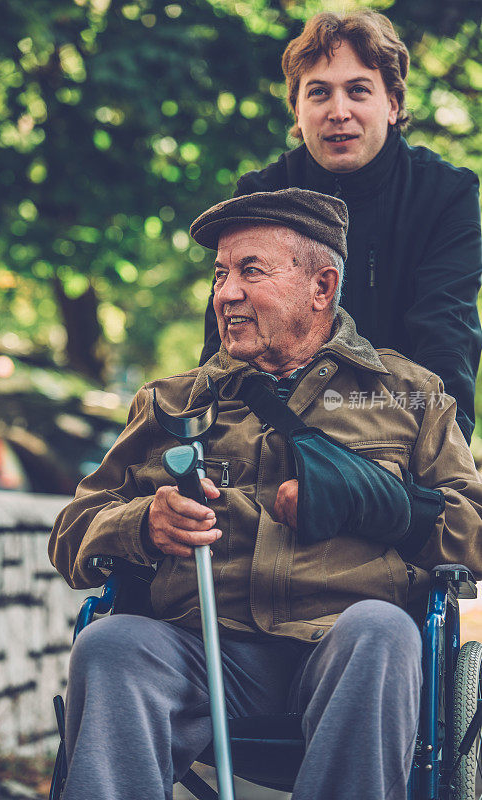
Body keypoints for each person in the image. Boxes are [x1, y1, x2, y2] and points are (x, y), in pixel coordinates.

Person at [49, 190, 482, 800]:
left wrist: (382, 506)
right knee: (111, 644)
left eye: (251, 271)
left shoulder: (411, 396)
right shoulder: (173, 402)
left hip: (344, 651)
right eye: (221, 275)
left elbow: (476, 535)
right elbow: (71, 530)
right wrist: (141, 524)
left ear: (322, 287)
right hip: (204, 653)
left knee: (382, 631)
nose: (225, 294)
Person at [199, 10, 482, 444]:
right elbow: (225, 344)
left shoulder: (446, 194)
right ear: (297, 109)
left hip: (392, 425)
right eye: (318, 93)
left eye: (358, 90)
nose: (338, 111)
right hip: (273, 428)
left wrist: (442, 457)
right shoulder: (261, 194)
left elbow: (447, 339)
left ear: (392, 104)